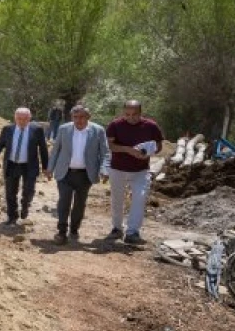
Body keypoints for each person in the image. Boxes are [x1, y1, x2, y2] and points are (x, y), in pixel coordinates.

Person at [46, 105, 110, 244]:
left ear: (88, 117)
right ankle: (62, 231)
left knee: (80, 204)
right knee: (64, 201)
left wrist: (105, 170)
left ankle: (74, 229)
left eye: (82, 117)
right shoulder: (64, 129)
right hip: (65, 172)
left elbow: (105, 153)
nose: (78, 120)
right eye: (75, 117)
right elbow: (56, 150)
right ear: (71, 117)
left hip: (85, 174)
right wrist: (50, 168)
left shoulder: (98, 131)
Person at [106, 100, 164, 244]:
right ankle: (117, 228)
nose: (131, 117)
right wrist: (128, 149)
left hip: (141, 170)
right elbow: (110, 145)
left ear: (141, 113)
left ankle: (132, 232)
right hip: (118, 168)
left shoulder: (151, 126)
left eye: (135, 114)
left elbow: (159, 145)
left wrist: (148, 152)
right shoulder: (115, 125)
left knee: (140, 197)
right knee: (117, 199)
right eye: (128, 114)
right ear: (123, 112)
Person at [0, 107, 49, 225]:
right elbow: (0, 144)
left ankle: (25, 205)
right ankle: (12, 216)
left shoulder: (37, 130)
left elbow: (43, 149)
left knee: (29, 191)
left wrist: (46, 167)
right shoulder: (8, 129)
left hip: (29, 165)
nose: (21, 121)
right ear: (15, 118)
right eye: (19, 119)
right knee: (10, 192)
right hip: (12, 164)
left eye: (24, 119)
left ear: (29, 119)